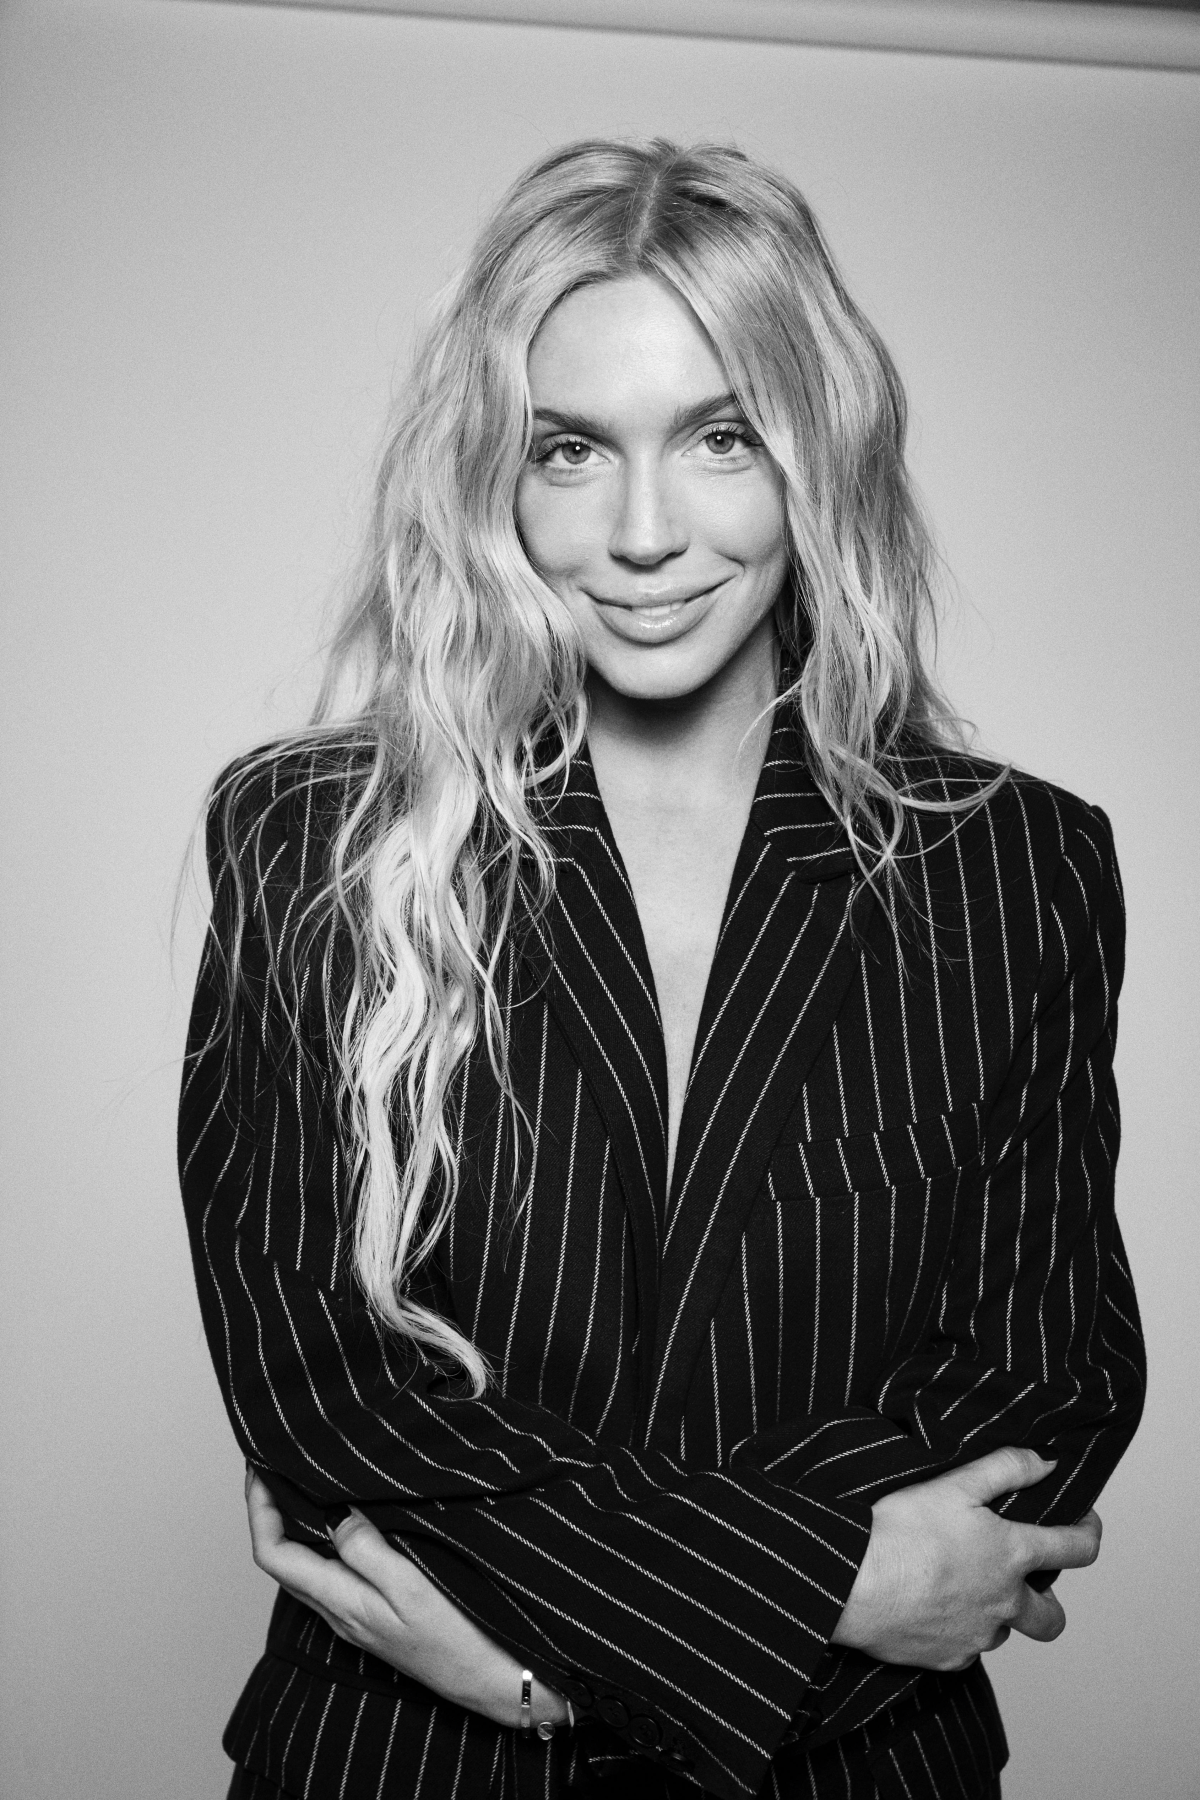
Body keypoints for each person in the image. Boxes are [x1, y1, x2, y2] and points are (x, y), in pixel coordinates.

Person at [179, 139, 1145, 1800]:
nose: (643, 533)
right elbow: (325, 1392)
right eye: (571, 451)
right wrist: (837, 1578)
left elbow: (1035, 1390)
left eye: (720, 438)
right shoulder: (311, 838)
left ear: (816, 456)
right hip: (398, 1766)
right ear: (496, 475)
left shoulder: (1017, 864)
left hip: (851, 1775)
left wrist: (537, 1667)